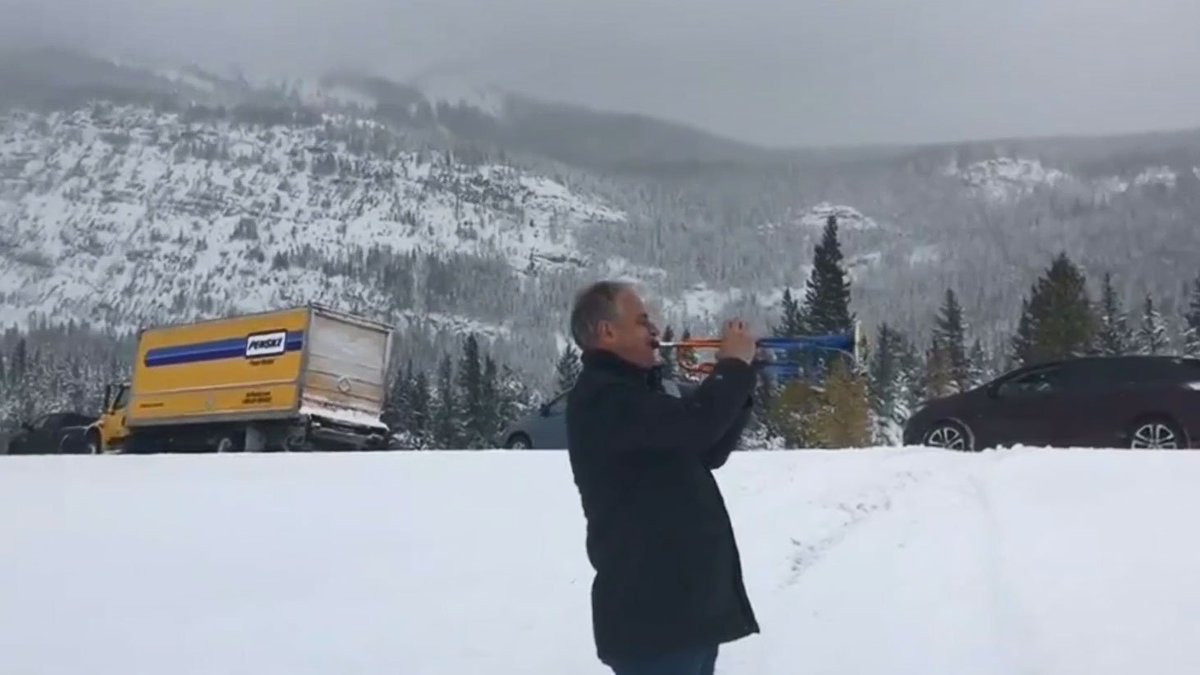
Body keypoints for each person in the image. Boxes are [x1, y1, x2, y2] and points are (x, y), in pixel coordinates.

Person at [564, 280, 760, 675]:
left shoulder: (636, 392)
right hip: (653, 620)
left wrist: (743, 380)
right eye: (642, 322)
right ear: (607, 332)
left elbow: (708, 451)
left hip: (684, 614)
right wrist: (732, 368)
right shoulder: (606, 398)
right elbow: (698, 428)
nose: (655, 330)